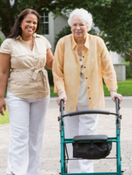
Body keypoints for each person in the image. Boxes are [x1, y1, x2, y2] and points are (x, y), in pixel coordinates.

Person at [53, 8, 123, 173]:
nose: (78, 28)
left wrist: (113, 90)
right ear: (71, 26)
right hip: (69, 99)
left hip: (92, 99)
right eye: (74, 24)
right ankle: (76, 172)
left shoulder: (97, 43)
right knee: (71, 138)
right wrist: (61, 91)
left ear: (88, 26)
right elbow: (57, 72)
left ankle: (85, 172)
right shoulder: (63, 43)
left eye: (81, 24)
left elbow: (108, 68)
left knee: (87, 139)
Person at [0, 9, 54, 175]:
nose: (31, 25)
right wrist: (1, 97)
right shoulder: (9, 43)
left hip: (41, 94)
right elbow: (3, 72)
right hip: (18, 94)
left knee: (36, 137)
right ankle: (15, 172)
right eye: (28, 21)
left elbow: (52, 64)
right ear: (20, 22)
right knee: (19, 136)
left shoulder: (43, 41)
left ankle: (32, 172)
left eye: (35, 23)